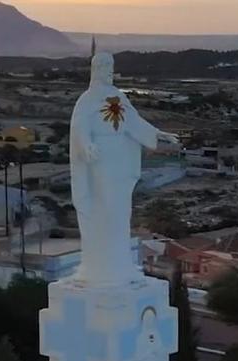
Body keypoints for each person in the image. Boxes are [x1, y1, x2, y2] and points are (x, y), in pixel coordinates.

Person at [69, 52, 179, 287]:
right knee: (106, 206)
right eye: (105, 66)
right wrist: (85, 144)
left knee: (121, 209)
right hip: (101, 158)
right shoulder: (87, 100)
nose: (109, 71)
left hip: (120, 156)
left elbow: (134, 122)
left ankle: (119, 261)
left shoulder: (118, 96)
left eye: (111, 66)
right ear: (96, 69)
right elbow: (79, 126)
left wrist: (158, 133)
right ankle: (101, 262)